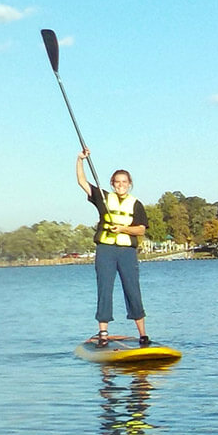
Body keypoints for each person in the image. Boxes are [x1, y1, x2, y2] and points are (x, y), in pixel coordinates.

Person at [76, 148, 150, 347]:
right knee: (105, 288)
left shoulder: (136, 204)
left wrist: (124, 228)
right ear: (112, 184)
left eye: (124, 182)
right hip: (106, 251)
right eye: (117, 182)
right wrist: (80, 160)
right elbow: (82, 182)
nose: (121, 185)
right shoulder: (103, 197)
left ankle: (143, 334)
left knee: (132, 289)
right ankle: (103, 333)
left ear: (129, 184)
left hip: (127, 252)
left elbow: (141, 230)